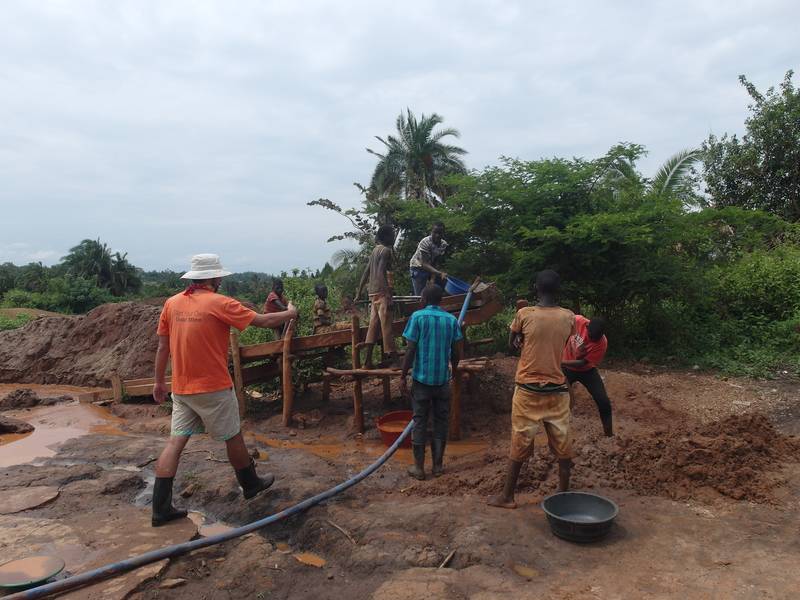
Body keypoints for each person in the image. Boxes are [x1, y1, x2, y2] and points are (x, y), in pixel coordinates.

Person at [151, 254, 298, 527]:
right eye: (219, 276)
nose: (221, 280)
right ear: (214, 278)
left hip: (181, 388)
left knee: (175, 442)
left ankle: (160, 508)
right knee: (232, 435)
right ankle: (250, 483)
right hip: (213, 387)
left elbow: (162, 347)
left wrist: (159, 382)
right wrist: (290, 313)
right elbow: (264, 321)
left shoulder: (171, 303)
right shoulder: (220, 303)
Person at [488, 270, 576, 509]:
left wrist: (518, 339)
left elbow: (512, 345)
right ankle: (563, 496)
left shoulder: (524, 314)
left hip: (528, 390)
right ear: (558, 290)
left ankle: (507, 497)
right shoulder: (569, 317)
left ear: (536, 288)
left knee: (519, 442)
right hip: (557, 390)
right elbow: (562, 345)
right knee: (563, 444)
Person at [400, 284, 463, 480]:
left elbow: (410, 349)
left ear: (423, 300)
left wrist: (403, 375)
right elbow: (457, 351)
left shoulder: (417, 317)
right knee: (441, 422)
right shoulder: (451, 320)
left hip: (421, 380)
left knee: (419, 421)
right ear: (441, 301)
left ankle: (419, 468)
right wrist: (453, 369)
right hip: (442, 381)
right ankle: (437, 466)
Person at [562, 316, 612, 436]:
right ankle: (558, 435)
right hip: (565, 369)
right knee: (559, 401)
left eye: (597, 339)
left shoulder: (602, 343)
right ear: (587, 326)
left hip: (586, 371)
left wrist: (560, 362)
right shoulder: (578, 321)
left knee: (603, 401)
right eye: (592, 337)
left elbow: (582, 363)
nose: (594, 340)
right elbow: (560, 326)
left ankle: (609, 435)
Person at [356, 224, 397, 368]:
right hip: (381, 293)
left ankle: (367, 361)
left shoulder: (374, 251)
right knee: (386, 325)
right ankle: (393, 360)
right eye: (392, 235)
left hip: (372, 293)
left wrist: (359, 292)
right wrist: (387, 294)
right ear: (386, 237)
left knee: (373, 325)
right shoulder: (385, 251)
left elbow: (366, 272)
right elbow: (380, 272)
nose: (394, 237)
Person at [409, 222, 448, 296]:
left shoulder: (443, 244)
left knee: (436, 289)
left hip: (431, 267)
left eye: (440, 233)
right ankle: (420, 305)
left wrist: (433, 278)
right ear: (431, 232)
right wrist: (439, 273)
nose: (437, 235)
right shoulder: (425, 242)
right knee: (421, 294)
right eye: (435, 232)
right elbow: (424, 263)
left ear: (443, 233)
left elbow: (436, 261)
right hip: (418, 267)